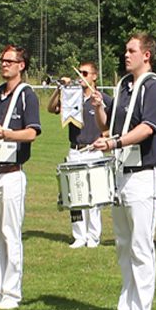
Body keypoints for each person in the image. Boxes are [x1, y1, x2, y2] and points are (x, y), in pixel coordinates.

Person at [95, 32, 156, 310]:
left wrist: (115, 143)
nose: (126, 55)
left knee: (141, 246)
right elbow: (107, 125)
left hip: (144, 175)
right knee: (123, 246)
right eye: (126, 50)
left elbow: (148, 128)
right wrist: (99, 105)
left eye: (131, 50)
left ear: (146, 55)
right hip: (120, 174)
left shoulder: (154, 87)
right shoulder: (123, 86)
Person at [0, 45, 41, 310]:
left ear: (21, 65)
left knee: (10, 233)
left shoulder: (27, 95)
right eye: (2, 61)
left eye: (9, 61)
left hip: (13, 173)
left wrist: (8, 134)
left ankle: (12, 293)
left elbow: (32, 132)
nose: (4, 65)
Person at [47, 62, 111, 248]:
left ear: (94, 77)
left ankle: (93, 236)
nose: (80, 76)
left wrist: (103, 138)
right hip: (75, 150)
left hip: (93, 151)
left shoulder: (103, 98)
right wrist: (60, 89)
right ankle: (78, 235)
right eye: (79, 73)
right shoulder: (71, 97)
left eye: (85, 73)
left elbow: (113, 125)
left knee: (93, 198)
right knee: (74, 196)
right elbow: (52, 109)